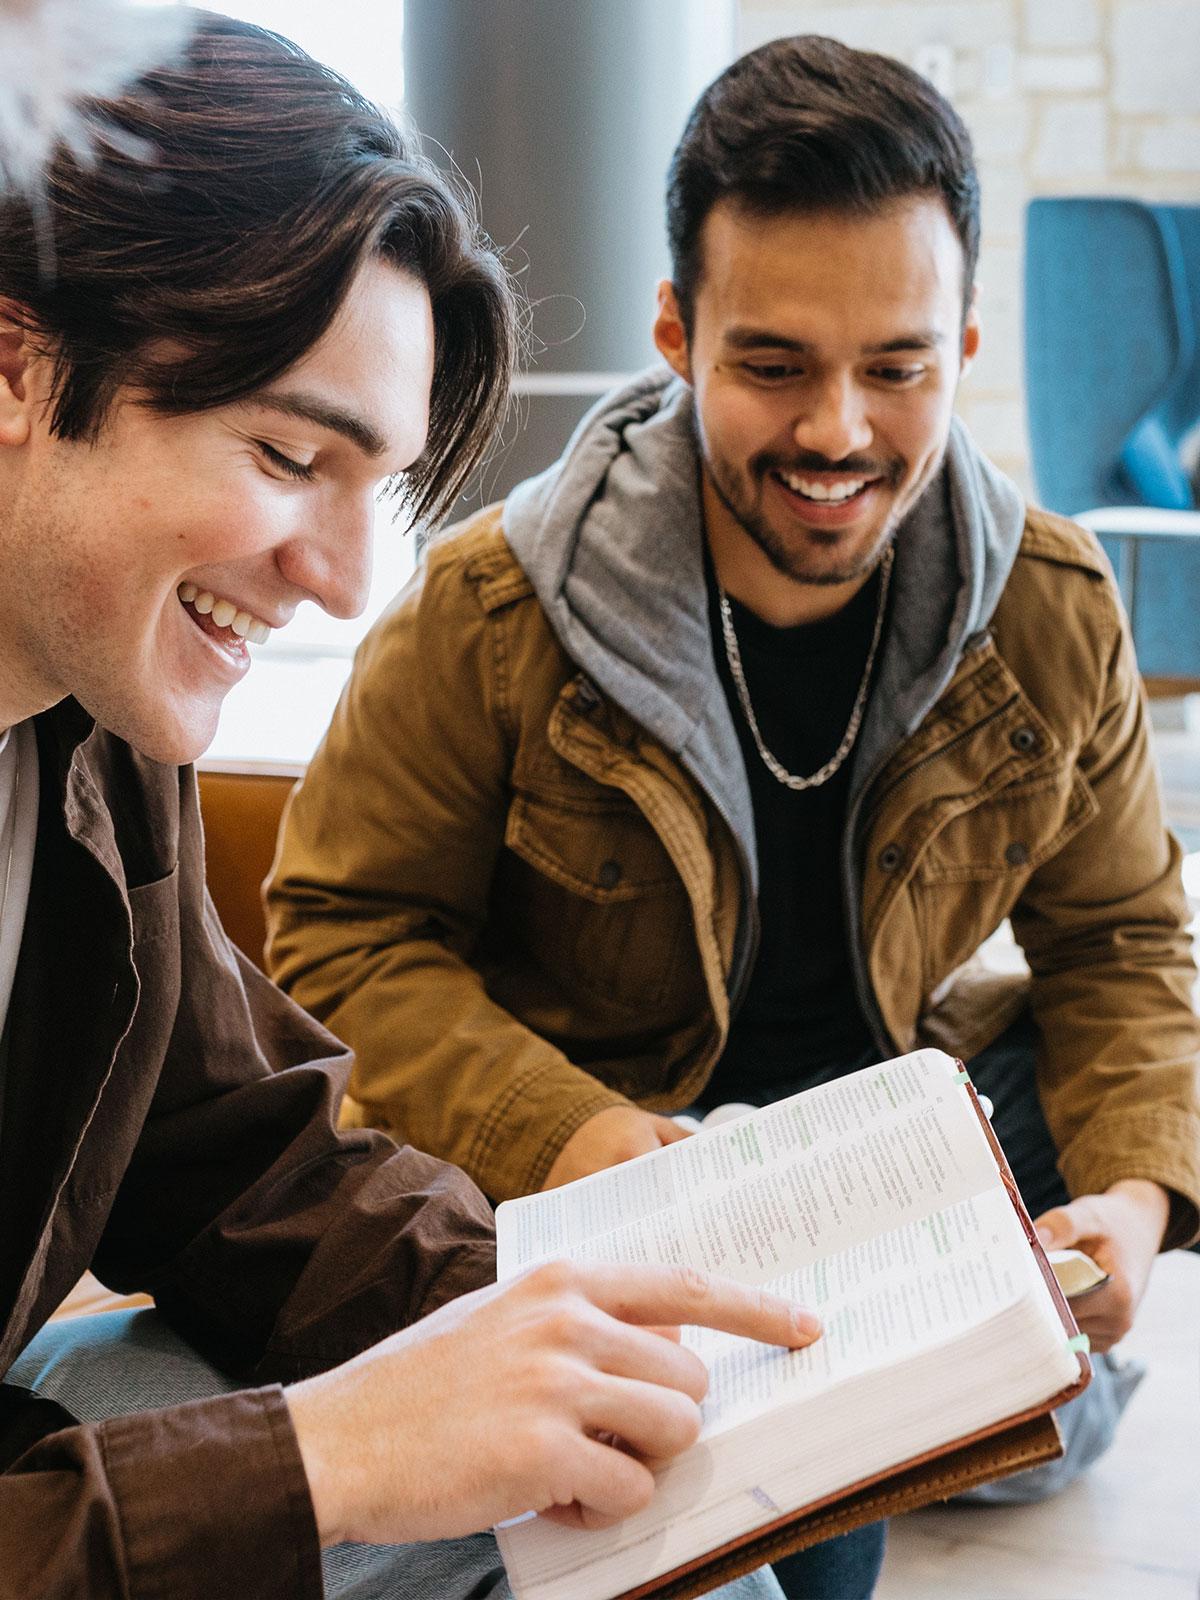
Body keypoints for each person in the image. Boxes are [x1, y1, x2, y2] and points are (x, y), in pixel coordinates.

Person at [266, 33, 1200, 1598]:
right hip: (620, 1143)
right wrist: (598, 1149)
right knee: (795, 1538)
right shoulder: (492, 611)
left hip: (889, 1130)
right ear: (675, 335)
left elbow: (1118, 937)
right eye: (773, 364)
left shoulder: (1050, 607)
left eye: (897, 367)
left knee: (1082, 1119)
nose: (839, 430)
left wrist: (1130, 1198)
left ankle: (984, 1379)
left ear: (964, 346)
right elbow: (339, 938)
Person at [0, 14, 817, 1600]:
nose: (346, 580)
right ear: (19, 368)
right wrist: (333, 1458)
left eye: (372, 485)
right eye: (288, 453)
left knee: (635, 1488)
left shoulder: (91, 738)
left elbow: (243, 1152)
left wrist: (550, 1313)